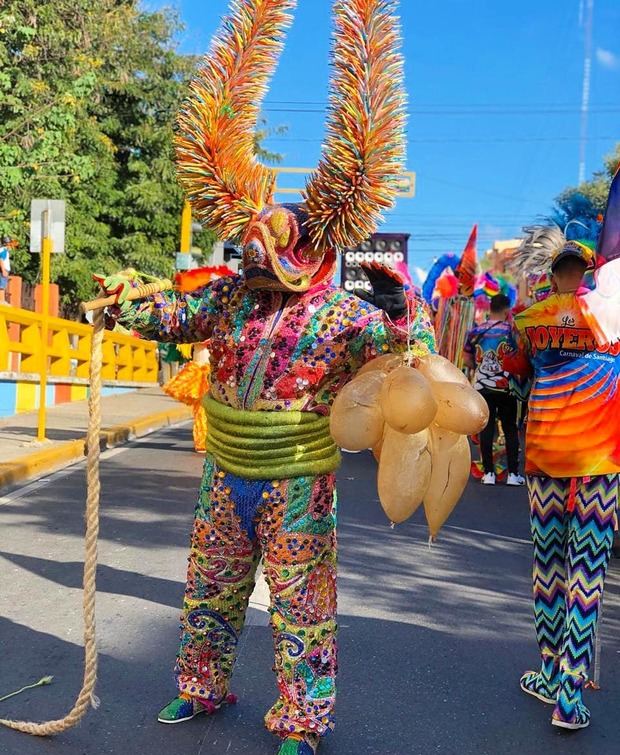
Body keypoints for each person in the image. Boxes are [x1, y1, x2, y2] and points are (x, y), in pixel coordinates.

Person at [96, 2, 436, 754]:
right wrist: (125, 303)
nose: (259, 268)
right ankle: (200, 685)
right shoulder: (227, 299)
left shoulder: (340, 314)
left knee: (302, 601)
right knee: (210, 588)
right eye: (252, 256)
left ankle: (303, 718)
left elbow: (405, 345)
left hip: (296, 481)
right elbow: (174, 315)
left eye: (271, 256)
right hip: (226, 472)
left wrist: (401, 298)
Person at [508, 228, 620, 731]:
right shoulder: (612, 317)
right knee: (586, 575)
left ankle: (552, 672)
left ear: (553, 275)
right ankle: (569, 696)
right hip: (599, 460)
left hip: (546, 456)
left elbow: (516, 374)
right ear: (590, 273)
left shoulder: (528, 319)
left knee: (549, 569)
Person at [464, 294, 524, 486]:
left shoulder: (476, 331)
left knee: (487, 428)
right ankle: (513, 475)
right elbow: (522, 355)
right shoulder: (512, 331)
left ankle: (488, 473)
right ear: (507, 310)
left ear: (490, 308)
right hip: (507, 388)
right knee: (510, 429)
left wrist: (478, 369)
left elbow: (466, 358)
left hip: (482, 387)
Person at [0, 235, 11, 304]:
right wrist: (3, 270)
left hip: (3, 270)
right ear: (7, 243)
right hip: (3, 270)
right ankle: (2, 301)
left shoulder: (2, 249)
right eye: (10, 243)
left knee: (2, 286)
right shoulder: (4, 250)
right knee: (2, 286)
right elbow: (1, 260)